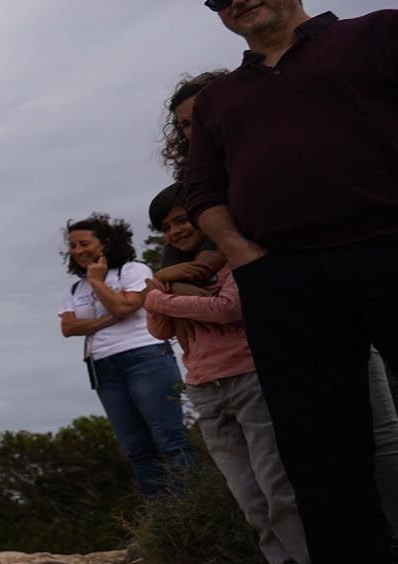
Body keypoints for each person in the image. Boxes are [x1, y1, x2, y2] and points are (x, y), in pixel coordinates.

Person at [182, 0, 398, 564]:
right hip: (287, 280)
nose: (239, 0)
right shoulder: (219, 100)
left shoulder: (375, 36)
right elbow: (203, 192)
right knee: (321, 453)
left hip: (388, 249)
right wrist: (242, 254)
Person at [165, 69, 398, 535]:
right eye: (187, 125)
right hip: (271, 327)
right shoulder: (198, 183)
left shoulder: (275, 149)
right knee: (316, 447)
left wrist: (178, 280)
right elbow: (205, 250)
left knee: (380, 430)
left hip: (336, 286)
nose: (199, 127)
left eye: (203, 113)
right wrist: (175, 277)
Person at [142, 187, 326, 564]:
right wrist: (164, 295)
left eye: (182, 218)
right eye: (166, 227)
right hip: (204, 388)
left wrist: (159, 293)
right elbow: (158, 327)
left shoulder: (231, 258)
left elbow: (229, 309)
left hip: (249, 377)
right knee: (249, 497)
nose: (177, 229)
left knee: (278, 488)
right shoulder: (172, 273)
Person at [58, 214, 195, 498]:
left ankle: (196, 507)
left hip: (145, 356)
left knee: (170, 438)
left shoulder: (133, 271)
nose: (78, 251)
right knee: (137, 448)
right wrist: (108, 318)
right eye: (73, 246)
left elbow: (125, 308)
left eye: (85, 244)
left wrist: (98, 283)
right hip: (103, 367)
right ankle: (164, 522)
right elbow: (68, 327)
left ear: (105, 243)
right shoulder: (75, 287)